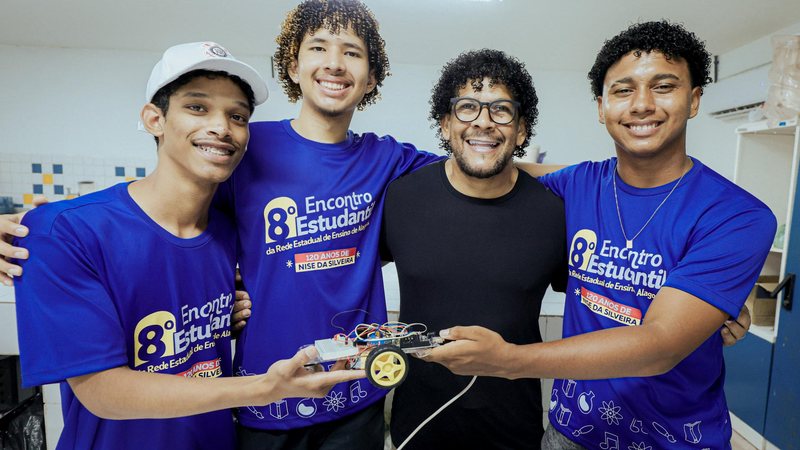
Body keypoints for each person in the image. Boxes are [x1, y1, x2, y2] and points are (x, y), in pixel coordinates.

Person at [422, 21, 776, 450]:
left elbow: (660, 345)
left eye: (664, 86)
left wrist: (507, 360)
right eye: (623, 90)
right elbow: (490, 170)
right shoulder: (577, 185)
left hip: (676, 440)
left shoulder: (737, 216)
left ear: (694, 98)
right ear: (601, 106)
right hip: (570, 432)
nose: (642, 104)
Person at [12, 42, 364, 450]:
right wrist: (265, 388)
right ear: (154, 119)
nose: (221, 127)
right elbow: (103, 391)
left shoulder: (229, 232)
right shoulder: (65, 232)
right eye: (197, 107)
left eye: (237, 116)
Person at [381, 49, 567, 449]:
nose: (483, 121)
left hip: (514, 428)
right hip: (417, 425)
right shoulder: (400, 199)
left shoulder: (554, 213)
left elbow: (599, 299)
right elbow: (346, 268)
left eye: (501, 110)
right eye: (468, 107)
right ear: (446, 124)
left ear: (521, 131)